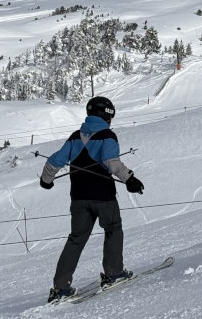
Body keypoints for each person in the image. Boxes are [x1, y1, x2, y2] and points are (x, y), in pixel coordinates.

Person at [40, 96, 144, 302]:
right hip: (103, 196)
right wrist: (130, 179)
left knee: (76, 239)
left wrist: (46, 180)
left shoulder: (75, 137)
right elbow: (111, 162)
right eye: (111, 115)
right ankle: (114, 273)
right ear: (106, 114)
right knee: (113, 228)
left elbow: (55, 160)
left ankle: (60, 288)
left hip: (78, 198)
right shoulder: (107, 136)